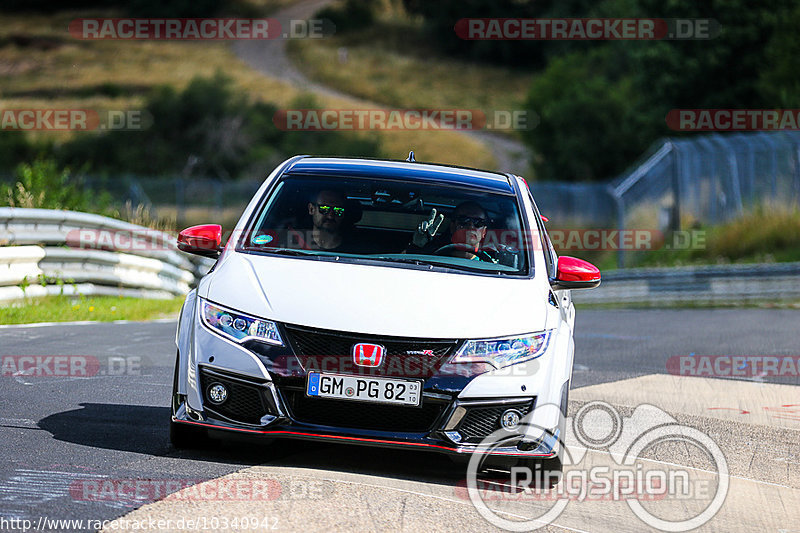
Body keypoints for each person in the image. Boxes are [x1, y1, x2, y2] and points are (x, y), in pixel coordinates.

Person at [410, 200, 494, 261]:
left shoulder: (491, 265)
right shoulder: (431, 256)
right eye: (464, 220)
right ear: (452, 226)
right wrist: (416, 248)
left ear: (484, 232)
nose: (471, 226)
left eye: (478, 222)